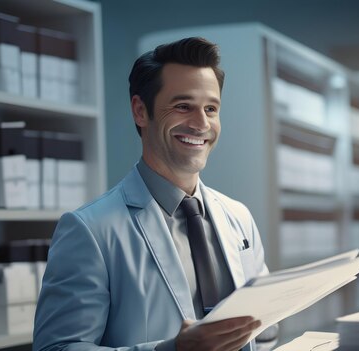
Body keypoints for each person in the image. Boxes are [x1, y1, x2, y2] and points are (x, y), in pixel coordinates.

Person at [33, 37, 269, 351]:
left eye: (211, 108)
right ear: (141, 111)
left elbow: (265, 332)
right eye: (183, 106)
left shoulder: (239, 218)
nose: (201, 124)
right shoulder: (89, 229)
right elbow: (56, 348)